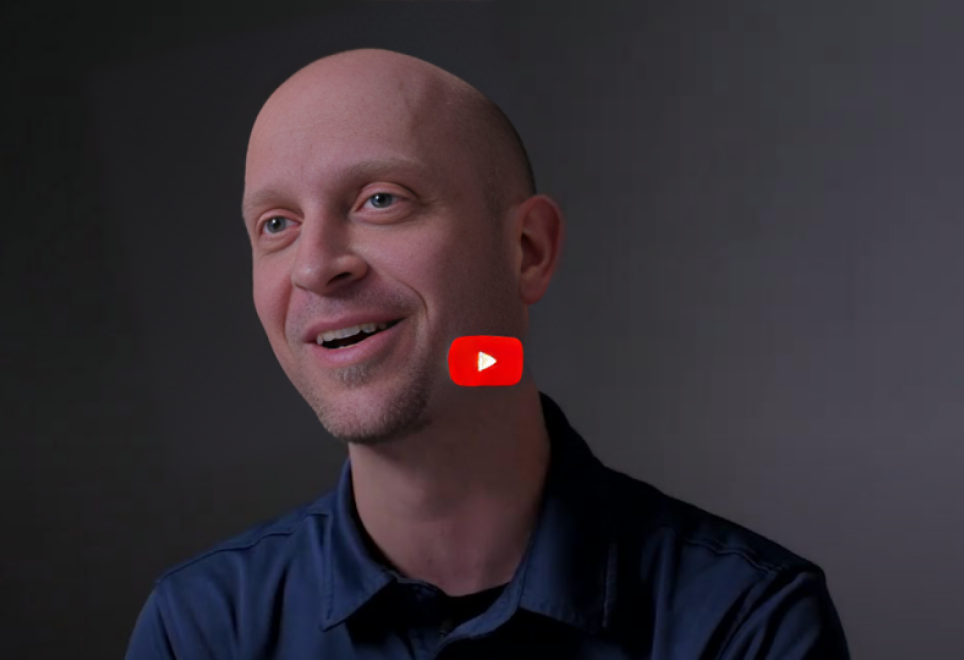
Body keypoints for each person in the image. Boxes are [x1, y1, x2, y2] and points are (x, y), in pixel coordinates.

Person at [125, 48, 850, 659]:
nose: (316, 266)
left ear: (527, 251)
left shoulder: (746, 621)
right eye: (276, 224)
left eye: (381, 199)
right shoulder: (200, 630)